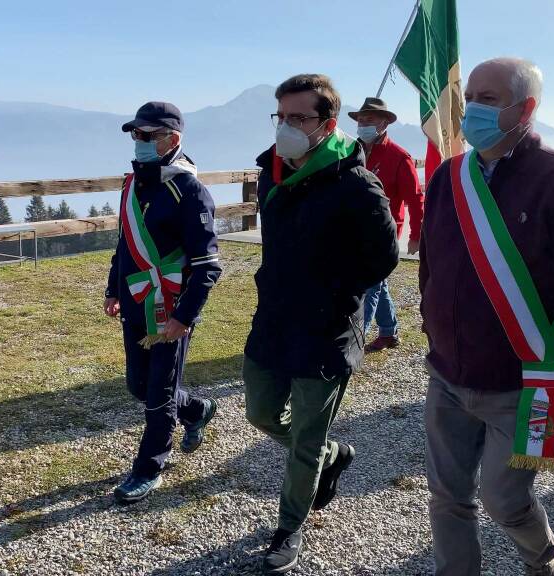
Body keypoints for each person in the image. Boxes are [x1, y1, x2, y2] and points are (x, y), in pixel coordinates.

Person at [419, 58, 554, 576]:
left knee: (503, 500)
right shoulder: (450, 175)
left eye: (488, 99)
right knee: (446, 498)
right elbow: (431, 262)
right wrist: (431, 323)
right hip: (446, 375)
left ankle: (543, 555)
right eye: (470, 98)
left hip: (524, 384)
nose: (472, 109)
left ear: (524, 109)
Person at [244, 74, 398, 574]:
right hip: (272, 320)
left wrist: (331, 289)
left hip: (326, 329)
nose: (286, 126)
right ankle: (332, 454)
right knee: (261, 414)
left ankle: (289, 530)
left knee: (304, 439)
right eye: (281, 116)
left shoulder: (355, 182)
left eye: (298, 118)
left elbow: (383, 257)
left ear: (326, 124)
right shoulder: (271, 170)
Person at [103, 101, 222, 504]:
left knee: (157, 397)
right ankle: (196, 410)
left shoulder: (188, 189)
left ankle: (149, 467)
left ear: (172, 139)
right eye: (135, 134)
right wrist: (113, 289)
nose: (139, 141)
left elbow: (208, 265)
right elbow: (125, 244)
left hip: (171, 310)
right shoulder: (132, 184)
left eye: (148, 135)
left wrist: (185, 317)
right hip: (137, 302)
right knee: (139, 387)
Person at [350, 97, 423, 350]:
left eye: (369, 119)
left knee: (369, 287)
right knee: (377, 282)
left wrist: (417, 234)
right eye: (360, 119)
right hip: (352, 232)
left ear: (384, 123)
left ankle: (354, 343)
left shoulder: (399, 157)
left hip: (383, 234)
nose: (362, 124)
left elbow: (415, 198)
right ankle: (389, 331)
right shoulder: (351, 151)